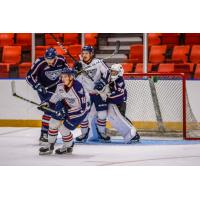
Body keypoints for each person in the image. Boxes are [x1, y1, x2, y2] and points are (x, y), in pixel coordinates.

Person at [39, 68, 90, 155]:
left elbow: (82, 107)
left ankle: (68, 146)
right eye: (62, 76)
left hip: (80, 111)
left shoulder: (78, 88)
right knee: (53, 123)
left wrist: (66, 112)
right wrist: (48, 103)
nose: (63, 79)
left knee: (63, 129)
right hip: (65, 105)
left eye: (65, 76)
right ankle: (50, 145)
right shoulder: (60, 85)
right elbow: (56, 97)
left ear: (71, 77)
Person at [26, 47, 69, 144]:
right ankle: (44, 134)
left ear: (55, 57)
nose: (48, 61)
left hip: (57, 88)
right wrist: (36, 85)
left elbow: (67, 71)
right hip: (44, 90)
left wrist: (74, 69)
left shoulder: (61, 60)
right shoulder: (40, 62)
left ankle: (51, 132)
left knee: (57, 109)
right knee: (49, 108)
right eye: (47, 58)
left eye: (51, 59)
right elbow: (29, 76)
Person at [74, 46, 111, 143]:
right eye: (83, 53)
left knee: (102, 114)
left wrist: (102, 82)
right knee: (84, 115)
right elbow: (72, 78)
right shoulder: (79, 64)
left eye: (86, 53)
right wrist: (76, 70)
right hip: (86, 94)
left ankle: (102, 133)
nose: (84, 55)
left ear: (91, 54)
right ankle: (84, 133)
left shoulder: (98, 62)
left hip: (98, 93)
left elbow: (107, 72)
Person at [99, 63, 140, 143]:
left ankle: (134, 134)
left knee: (122, 118)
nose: (113, 73)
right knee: (120, 118)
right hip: (114, 102)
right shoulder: (110, 77)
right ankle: (133, 134)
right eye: (112, 72)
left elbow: (118, 94)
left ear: (120, 72)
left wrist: (106, 96)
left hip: (120, 102)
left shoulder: (120, 80)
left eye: (115, 72)